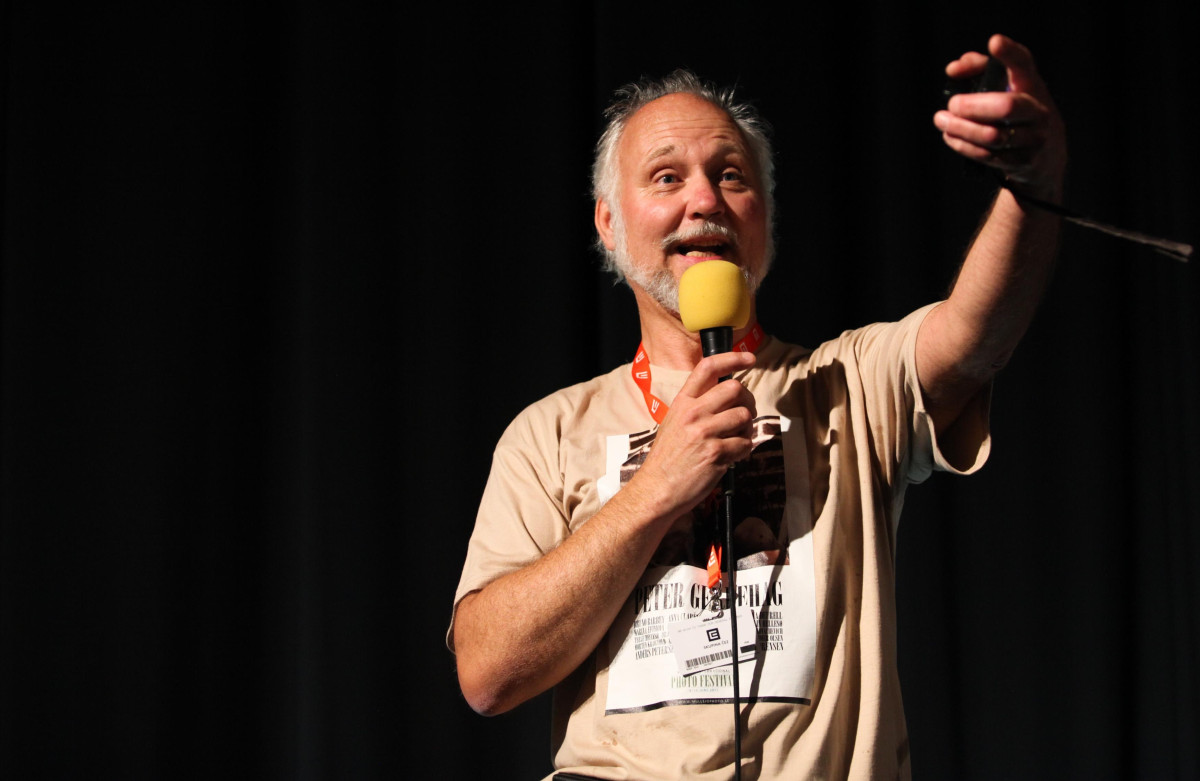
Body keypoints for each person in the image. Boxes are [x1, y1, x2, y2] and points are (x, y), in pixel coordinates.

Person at [448, 33, 1066, 780]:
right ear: (609, 223)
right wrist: (654, 491)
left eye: (731, 176)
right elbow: (487, 674)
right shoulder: (548, 433)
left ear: (764, 219)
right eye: (667, 177)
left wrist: (1032, 185)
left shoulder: (848, 383)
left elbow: (975, 334)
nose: (705, 200)